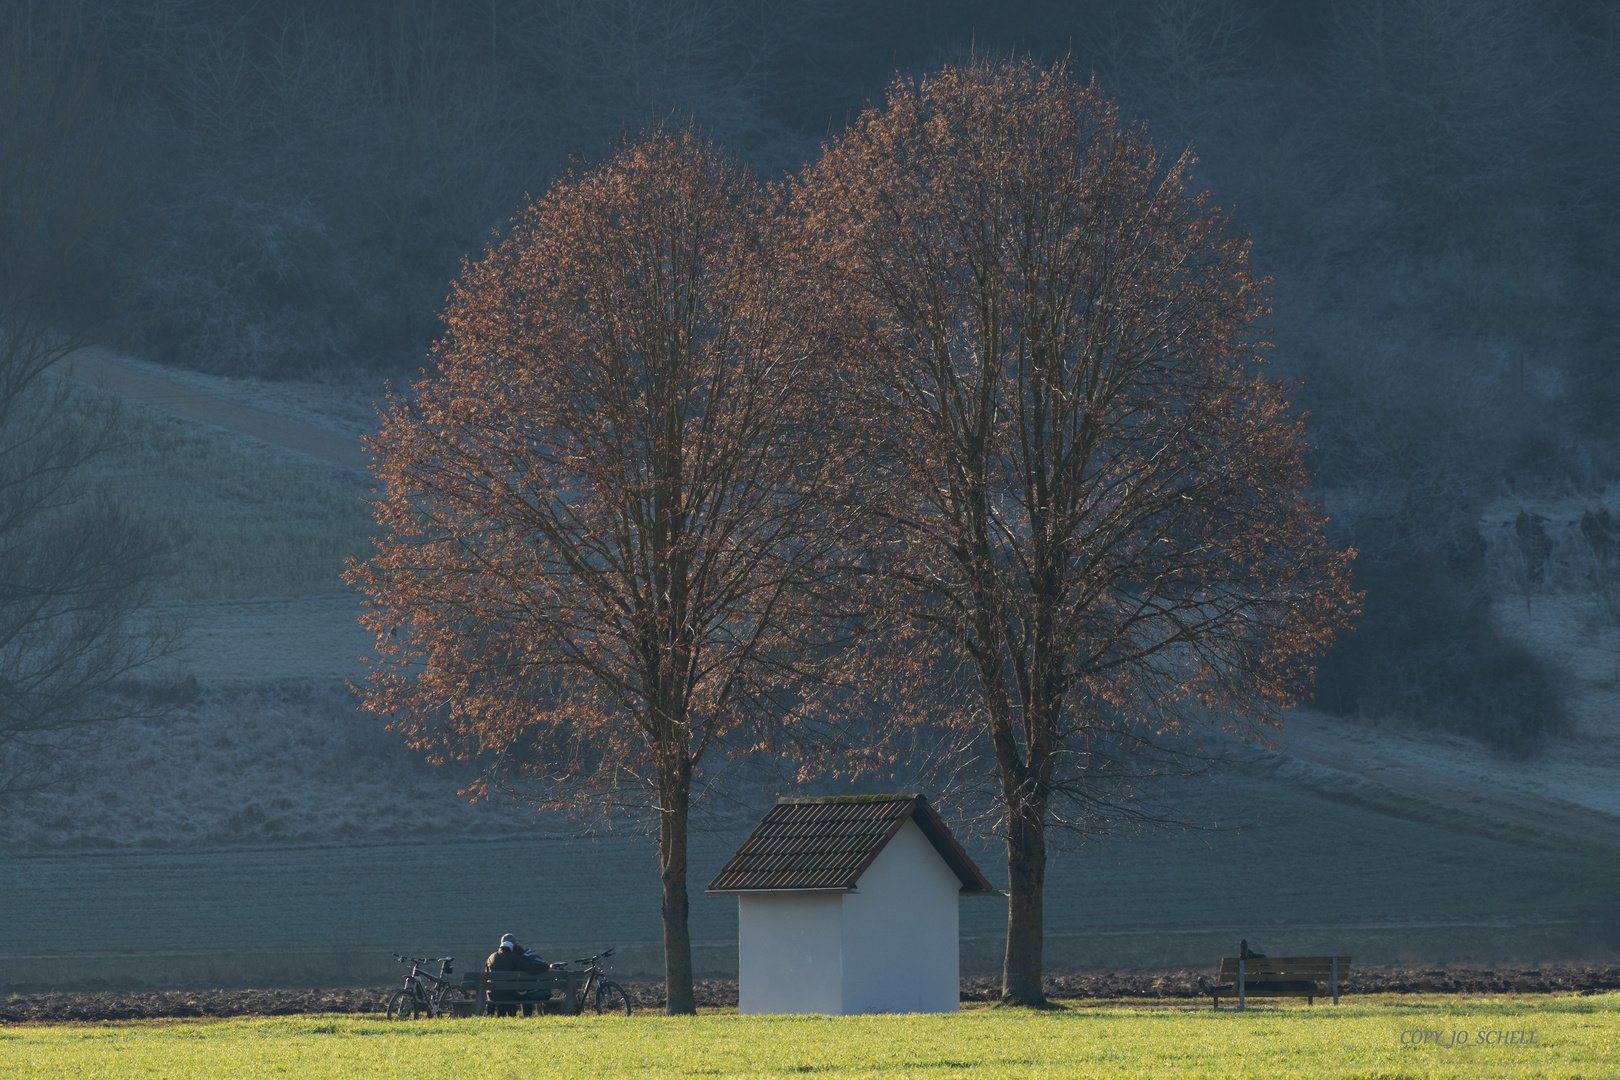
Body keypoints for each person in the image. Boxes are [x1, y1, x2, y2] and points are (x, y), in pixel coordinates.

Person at [485, 933, 550, 1017]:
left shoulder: (491, 957)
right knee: (524, 997)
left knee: (502, 994)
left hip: (492, 995)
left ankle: (490, 1017)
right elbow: (531, 968)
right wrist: (546, 966)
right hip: (509, 995)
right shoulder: (514, 957)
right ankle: (526, 1017)